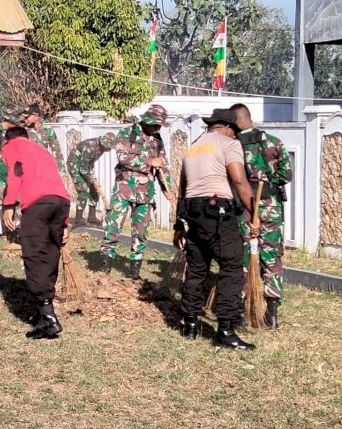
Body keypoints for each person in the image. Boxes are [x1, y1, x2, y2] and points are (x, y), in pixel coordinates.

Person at [173, 108, 258, 350]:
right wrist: (254, 213)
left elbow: (182, 188)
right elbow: (240, 181)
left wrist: (179, 224)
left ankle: (189, 323)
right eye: (236, 132)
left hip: (192, 211)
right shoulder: (228, 143)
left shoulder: (194, 147)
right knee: (231, 266)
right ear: (229, 128)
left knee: (198, 268)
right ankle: (226, 330)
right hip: (216, 209)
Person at [1, 126, 70, 339]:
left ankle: (48, 316)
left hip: (38, 203)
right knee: (50, 253)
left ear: (9, 139)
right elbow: (57, 180)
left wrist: (9, 205)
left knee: (34, 253)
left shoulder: (12, 146)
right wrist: (65, 224)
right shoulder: (42, 150)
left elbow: (16, 171)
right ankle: (42, 311)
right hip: (61, 201)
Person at [230, 103, 293, 330]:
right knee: (271, 256)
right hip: (271, 206)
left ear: (236, 121)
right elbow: (286, 174)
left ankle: (239, 310)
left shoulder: (234, 145)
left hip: (245, 206)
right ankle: (272, 312)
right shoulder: (274, 141)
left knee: (244, 254)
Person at [100, 104, 175, 279]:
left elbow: (162, 165)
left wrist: (167, 189)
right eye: (156, 124)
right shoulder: (127, 133)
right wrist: (150, 161)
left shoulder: (157, 140)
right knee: (113, 227)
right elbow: (123, 158)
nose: (157, 128)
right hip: (124, 190)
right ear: (147, 120)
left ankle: (134, 272)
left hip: (145, 192)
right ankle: (104, 269)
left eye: (160, 126)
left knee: (140, 232)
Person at [0, 109, 25, 242]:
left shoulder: (14, 134)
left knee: (18, 199)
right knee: (4, 202)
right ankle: (8, 230)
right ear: (8, 121)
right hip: (0, 172)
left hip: (14, 170)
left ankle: (18, 229)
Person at [66, 133, 118, 228]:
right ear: (104, 143)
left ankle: (92, 216)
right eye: (109, 147)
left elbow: (88, 164)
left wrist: (94, 182)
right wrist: (93, 180)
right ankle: (78, 219)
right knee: (83, 190)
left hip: (85, 166)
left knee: (94, 190)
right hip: (75, 166)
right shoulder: (90, 147)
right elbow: (82, 167)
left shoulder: (101, 148)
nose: (110, 149)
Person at [22, 104, 67, 178]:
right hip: (27, 171)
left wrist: (62, 173)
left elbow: (57, 152)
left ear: (36, 116)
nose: (25, 119)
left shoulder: (48, 130)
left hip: (43, 170)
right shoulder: (23, 130)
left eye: (27, 117)